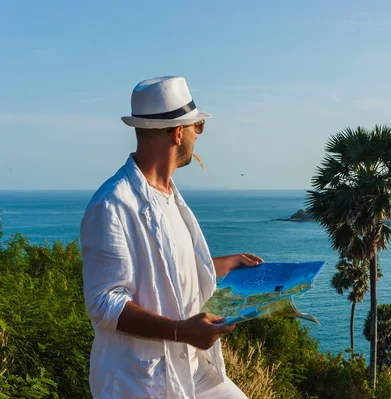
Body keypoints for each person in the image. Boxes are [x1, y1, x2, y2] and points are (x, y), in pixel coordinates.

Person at [81, 76, 262, 398]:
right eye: (198, 127)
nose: (199, 134)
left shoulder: (167, 195)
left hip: (195, 369)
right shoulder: (112, 205)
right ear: (178, 132)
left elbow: (166, 266)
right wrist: (180, 331)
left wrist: (220, 265)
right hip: (141, 380)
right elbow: (103, 302)